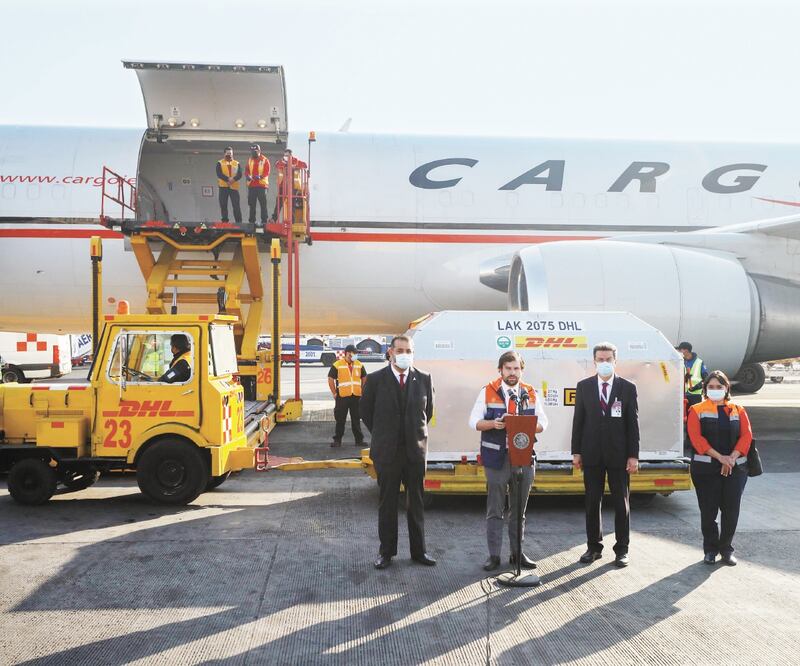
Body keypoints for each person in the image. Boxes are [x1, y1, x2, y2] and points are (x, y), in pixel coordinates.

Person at [468, 351, 548, 572]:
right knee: (495, 509)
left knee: (518, 511)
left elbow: (543, 423)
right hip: (496, 458)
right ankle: (494, 555)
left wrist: (524, 425)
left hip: (522, 458)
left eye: (516, 369)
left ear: (521, 370)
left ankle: (517, 553)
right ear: (500, 370)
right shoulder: (488, 391)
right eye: (508, 369)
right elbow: (473, 422)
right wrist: (494, 424)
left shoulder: (529, 393)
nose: (512, 373)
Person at [360, 335, 435, 570]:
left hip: (414, 452)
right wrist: (384, 435)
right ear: (390, 352)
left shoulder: (423, 379)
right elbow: (366, 413)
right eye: (400, 350)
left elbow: (428, 412)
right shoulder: (374, 380)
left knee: (416, 504)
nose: (404, 354)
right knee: (387, 504)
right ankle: (386, 552)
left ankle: (419, 551)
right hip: (387, 453)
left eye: (409, 350)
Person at [571, 342, 640, 567]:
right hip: (591, 455)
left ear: (615, 361)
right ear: (594, 361)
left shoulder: (627, 388)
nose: (604, 363)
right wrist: (576, 451)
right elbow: (578, 422)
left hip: (619, 456)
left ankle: (622, 549)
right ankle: (593, 547)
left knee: (622, 503)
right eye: (600, 359)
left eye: (608, 359)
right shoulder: (584, 387)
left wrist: (633, 455)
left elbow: (633, 424)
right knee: (592, 502)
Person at [686, 370, 752, 566]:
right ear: (705, 389)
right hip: (707, 470)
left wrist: (731, 457)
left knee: (731, 511)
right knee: (708, 512)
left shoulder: (738, 409)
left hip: (734, 468)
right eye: (711, 387)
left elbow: (746, 436)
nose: (715, 390)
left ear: (726, 388)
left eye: (719, 387)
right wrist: (720, 458)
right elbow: (697, 439)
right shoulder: (697, 410)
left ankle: (726, 549)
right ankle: (710, 550)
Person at [328, 344, 367, 448]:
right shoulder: (337, 364)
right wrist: (334, 393)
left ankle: (359, 440)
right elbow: (330, 378)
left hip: (356, 396)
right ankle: (337, 441)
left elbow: (364, 377)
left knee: (356, 419)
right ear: (346, 354)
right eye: (351, 354)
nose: (353, 356)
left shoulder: (359, 364)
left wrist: (363, 390)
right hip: (342, 396)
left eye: (355, 354)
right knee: (340, 419)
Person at [272, 148, 308, 222]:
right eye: (285, 155)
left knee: (292, 205)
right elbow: (276, 165)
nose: (286, 157)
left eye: (288, 156)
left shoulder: (295, 161)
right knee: (279, 203)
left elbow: (305, 165)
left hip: (293, 187)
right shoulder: (281, 161)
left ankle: (292, 221)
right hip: (283, 186)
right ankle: (274, 218)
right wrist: (285, 163)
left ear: (291, 155)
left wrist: (294, 166)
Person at [677, 342, 708, 408]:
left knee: (694, 415)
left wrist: (697, 386)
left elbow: (706, 378)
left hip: (695, 395)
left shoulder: (699, 362)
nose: (679, 352)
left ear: (686, 350)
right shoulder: (679, 361)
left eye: (680, 350)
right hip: (682, 394)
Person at [245, 144, 270, 226]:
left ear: (259, 151)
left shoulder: (265, 160)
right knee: (252, 204)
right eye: (252, 151)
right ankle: (252, 221)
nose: (253, 153)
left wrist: (260, 176)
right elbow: (247, 170)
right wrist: (247, 176)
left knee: (263, 204)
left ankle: (264, 221)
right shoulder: (249, 160)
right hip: (252, 185)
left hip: (262, 186)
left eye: (255, 151)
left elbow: (267, 172)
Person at [216, 147, 242, 223]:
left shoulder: (237, 163)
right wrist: (228, 179)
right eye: (227, 153)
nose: (229, 155)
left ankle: (239, 221)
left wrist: (233, 180)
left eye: (230, 153)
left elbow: (240, 174)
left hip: (234, 187)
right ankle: (225, 221)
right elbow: (219, 173)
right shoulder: (219, 163)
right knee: (223, 205)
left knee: (236, 205)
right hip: (223, 187)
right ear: (224, 154)